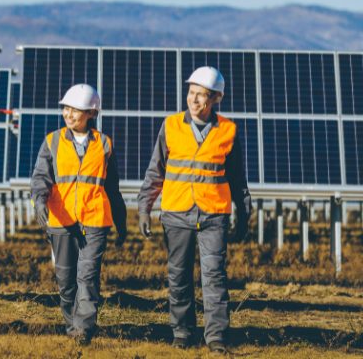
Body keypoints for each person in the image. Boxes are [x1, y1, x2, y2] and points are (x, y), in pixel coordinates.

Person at [137, 66, 252, 353]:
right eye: (191, 93)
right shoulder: (171, 125)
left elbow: (238, 178)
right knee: (178, 276)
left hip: (214, 214)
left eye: (202, 95)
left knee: (214, 277)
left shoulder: (228, 130)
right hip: (177, 213)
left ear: (216, 99)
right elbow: (156, 171)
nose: (195, 100)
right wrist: (144, 208)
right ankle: (182, 332)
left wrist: (245, 212)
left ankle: (216, 337)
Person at [30, 84, 127, 345]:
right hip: (61, 220)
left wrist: (121, 222)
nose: (69, 114)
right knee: (66, 278)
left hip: (95, 220)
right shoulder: (52, 141)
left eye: (75, 110)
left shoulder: (105, 144)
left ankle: (82, 329)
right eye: (66, 109)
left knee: (88, 275)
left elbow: (113, 187)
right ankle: (71, 322)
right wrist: (40, 201)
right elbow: (40, 178)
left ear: (91, 113)